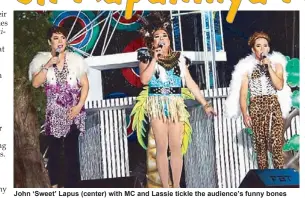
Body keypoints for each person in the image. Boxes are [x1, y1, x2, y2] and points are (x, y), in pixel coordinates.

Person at [131, 12, 217, 188]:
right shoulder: (146, 58)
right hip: (156, 104)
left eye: (165, 36)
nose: (161, 39)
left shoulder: (179, 59)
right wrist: (155, 59)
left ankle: (176, 186)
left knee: (176, 147)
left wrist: (205, 104)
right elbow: (145, 80)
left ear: (169, 41)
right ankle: (165, 187)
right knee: (162, 148)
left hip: (175, 103)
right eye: (157, 37)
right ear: (152, 42)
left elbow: (191, 84)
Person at [28, 26, 89, 187]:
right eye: (56, 38)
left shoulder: (76, 59)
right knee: (55, 152)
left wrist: (79, 106)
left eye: (63, 37)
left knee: (72, 152)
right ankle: (56, 186)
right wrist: (48, 64)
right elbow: (35, 83)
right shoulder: (42, 60)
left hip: (73, 112)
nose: (60, 41)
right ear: (50, 42)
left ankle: (73, 188)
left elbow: (85, 85)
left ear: (66, 40)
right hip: (54, 114)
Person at [225, 31, 292, 169]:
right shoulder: (246, 68)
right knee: (260, 144)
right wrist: (245, 113)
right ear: (253, 49)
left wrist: (268, 67)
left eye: (265, 45)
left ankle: (279, 176)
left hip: (273, 103)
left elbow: (279, 85)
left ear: (268, 48)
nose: (262, 49)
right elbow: (243, 94)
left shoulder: (277, 64)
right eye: (258, 46)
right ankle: (264, 176)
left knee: (276, 142)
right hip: (256, 105)